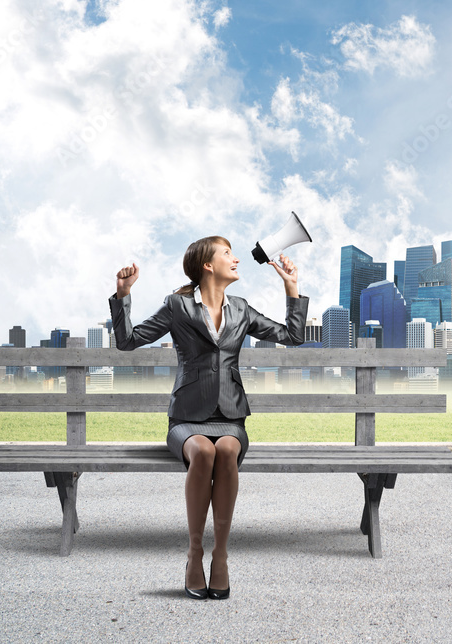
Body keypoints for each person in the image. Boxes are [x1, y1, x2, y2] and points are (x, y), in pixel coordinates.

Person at [109, 236, 308, 600]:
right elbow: (128, 341)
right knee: (203, 453)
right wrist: (123, 294)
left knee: (227, 451)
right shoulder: (177, 306)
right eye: (227, 254)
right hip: (186, 420)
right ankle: (195, 553)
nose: (236, 260)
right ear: (207, 265)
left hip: (231, 418)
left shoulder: (242, 309)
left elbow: (293, 336)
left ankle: (221, 556)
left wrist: (291, 287)